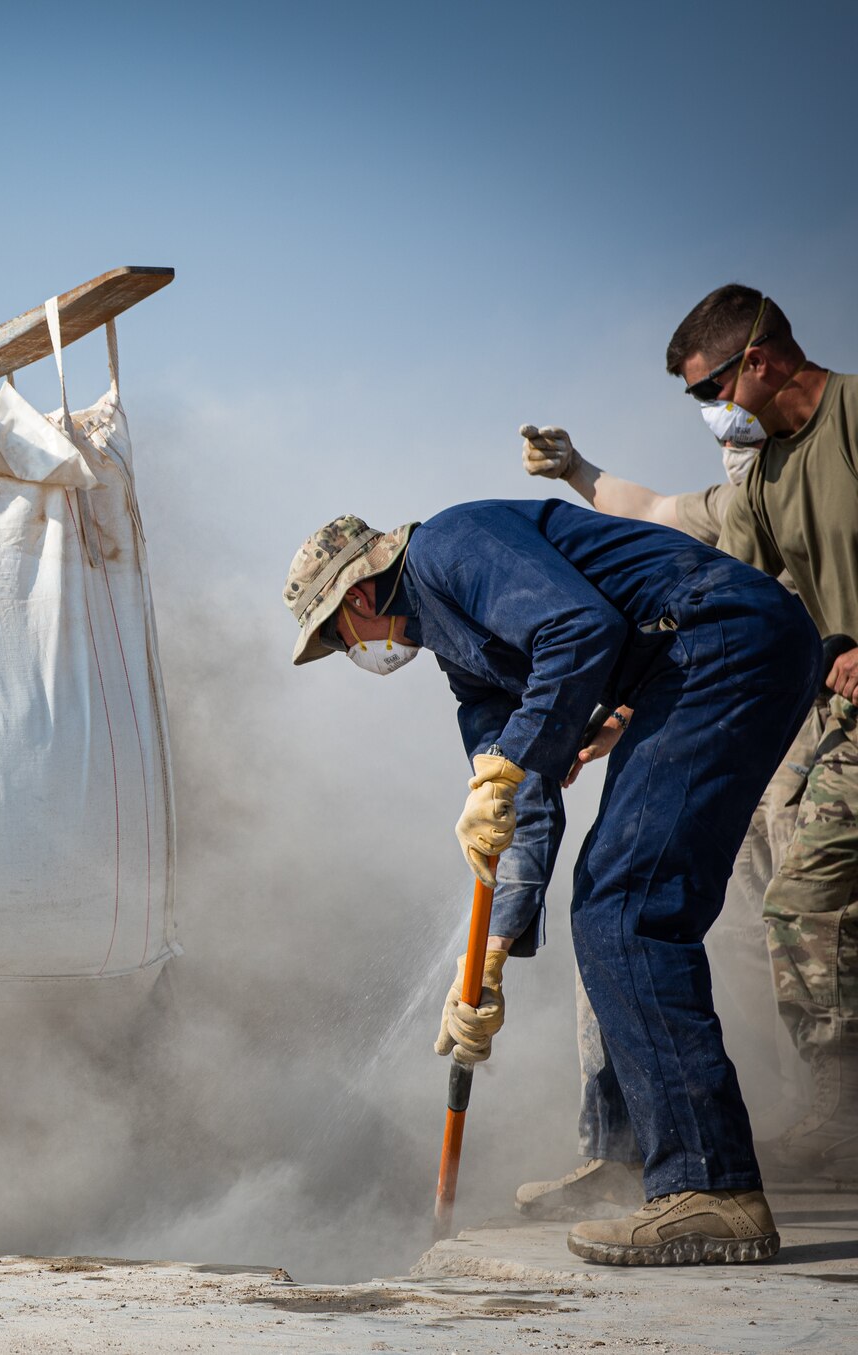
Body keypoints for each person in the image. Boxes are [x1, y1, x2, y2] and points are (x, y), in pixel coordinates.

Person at [284, 501, 817, 1264]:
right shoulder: (459, 654)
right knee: (614, 901)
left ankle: (711, 1189)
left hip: (720, 643)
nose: (352, 652)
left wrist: (515, 757)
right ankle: (644, 1157)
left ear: (358, 598)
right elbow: (520, 804)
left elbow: (581, 629)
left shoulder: (452, 549)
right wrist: (489, 959)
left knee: (625, 908)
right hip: (713, 659)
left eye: (338, 637)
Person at [513, 417, 827, 1213]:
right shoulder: (737, 504)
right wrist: (579, 469)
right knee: (619, 920)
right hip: (709, 717)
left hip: (809, 720)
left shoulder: (829, 491)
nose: (722, 420)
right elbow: (649, 507)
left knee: (804, 917)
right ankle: (625, 1147)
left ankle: (833, 1114)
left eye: (719, 392)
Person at [676, 285, 858, 1182]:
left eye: (708, 387)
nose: (711, 410)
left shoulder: (856, 416)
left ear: (759, 360)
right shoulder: (765, 475)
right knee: (797, 899)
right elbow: (731, 601)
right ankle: (836, 1115)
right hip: (850, 725)